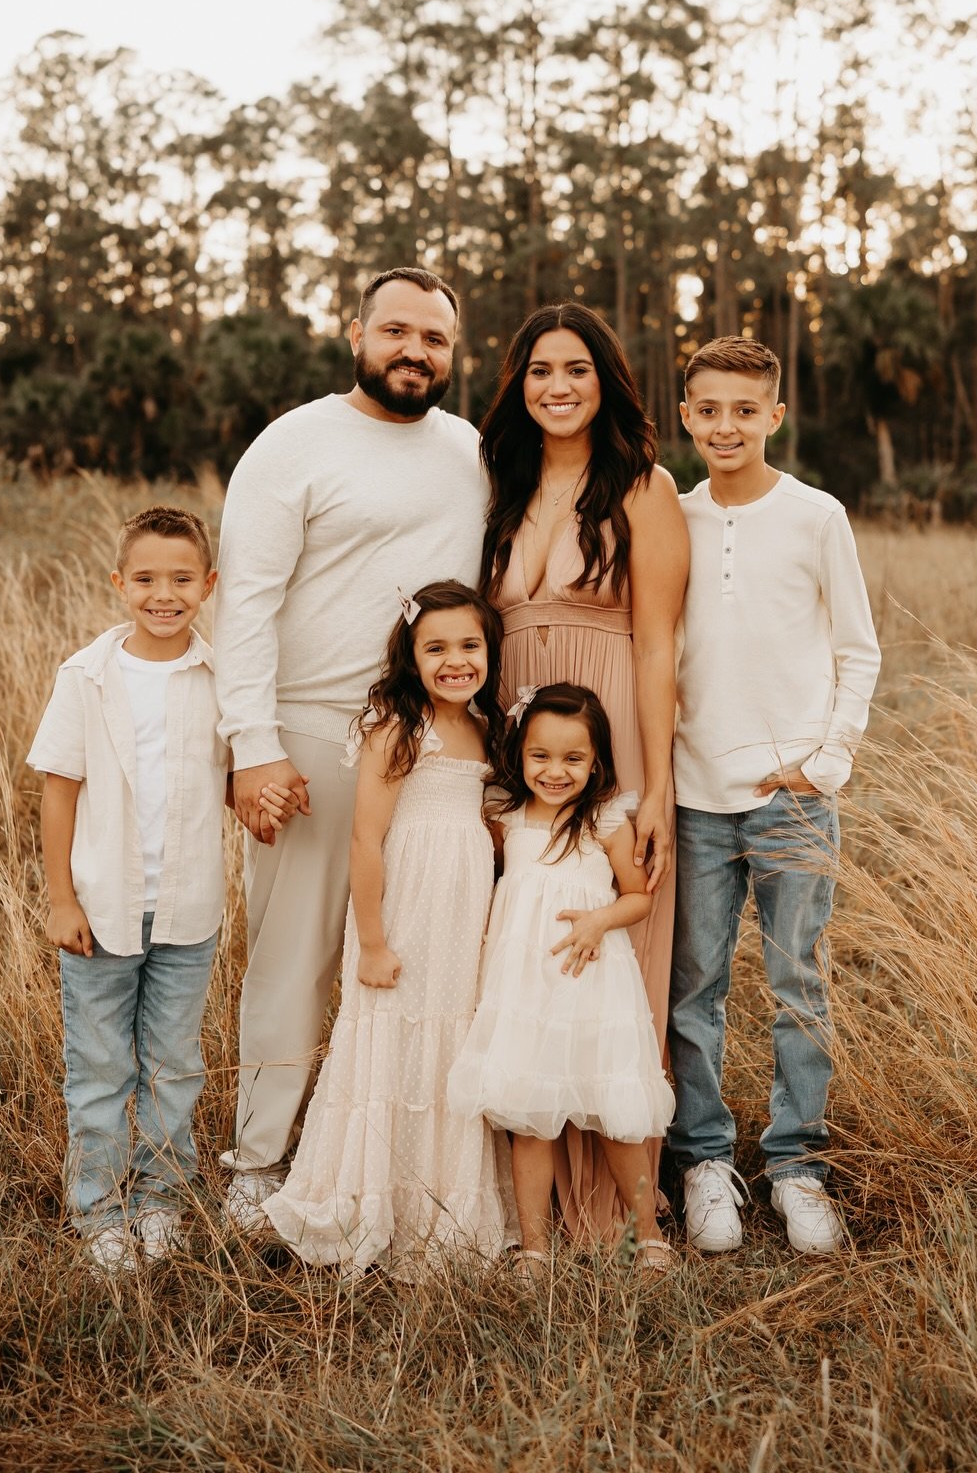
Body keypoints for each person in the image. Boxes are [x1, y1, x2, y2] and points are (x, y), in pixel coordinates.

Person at [215, 267, 487, 1229]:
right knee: (296, 954)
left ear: (453, 353)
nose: (415, 351)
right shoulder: (294, 443)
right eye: (397, 331)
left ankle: (394, 1159)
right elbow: (245, 602)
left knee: (420, 954)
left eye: (435, 338)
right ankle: (259, 1160)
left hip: (435, 739)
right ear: (357, 334)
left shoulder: (469, 450)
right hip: (311, 731)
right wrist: (253, 745)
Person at [667, 336, 881, 1258]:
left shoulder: (816, 516)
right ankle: (704, 1161)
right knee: (693, 988)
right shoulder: (671, 517)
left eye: (745, 411)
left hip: (791, 795)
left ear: (775, 417)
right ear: (686, 416)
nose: (727, 426)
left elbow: (857, 649)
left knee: (798, 984)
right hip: (693, 794)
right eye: (710, 410)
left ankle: (797, 1165)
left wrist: (825, 761)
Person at [477, 302, 687, 1237]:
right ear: (517, 386)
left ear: (606, 382)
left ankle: (616, 1202)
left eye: (576, 370)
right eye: (539, 371)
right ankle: (526, 1195)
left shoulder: (642, 486)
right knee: (524, 939)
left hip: (613, 730)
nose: (557, 387)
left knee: (611, 948)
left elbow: (658, 645)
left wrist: (656, 789)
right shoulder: (501, 485)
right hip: (521, 739)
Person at [261, 582, 510, 1275]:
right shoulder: (400, 727)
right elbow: (367, 840)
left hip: (460, 909)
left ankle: (436, 1205)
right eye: (436, 648)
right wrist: (371, 941)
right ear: (411, 656)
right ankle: (364, 1197)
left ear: (490, 651)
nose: (455, 661)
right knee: (394, 1034)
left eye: (470, 645)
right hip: (405, 908)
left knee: (450, 1036)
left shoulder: (484, 728)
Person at [27, 505, 228, 1277]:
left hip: (188, 908)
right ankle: (100, 1210)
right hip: (102, 909)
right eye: (145, 579)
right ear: (119, 583)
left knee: (174, 1064)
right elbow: (59, 790)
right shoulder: (86, 676)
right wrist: (61, 900)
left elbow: (238, 776)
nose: (163, 594)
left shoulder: (220, 678)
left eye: (181, 579)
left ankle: (161, 1199)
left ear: (208, 585)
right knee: (101, 1066)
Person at [449, 683, 675, 1274]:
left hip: (591, 984)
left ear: (596, 761)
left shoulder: (604, 820)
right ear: (520, 754)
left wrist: (600, 919)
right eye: (540, 756)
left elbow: (638, 898)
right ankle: (534, 1246)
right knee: (530, 1119)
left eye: (573, 758)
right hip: (524, 987)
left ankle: (646, 1234)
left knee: (616, 1117)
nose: (555, 771)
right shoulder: (506, 818)